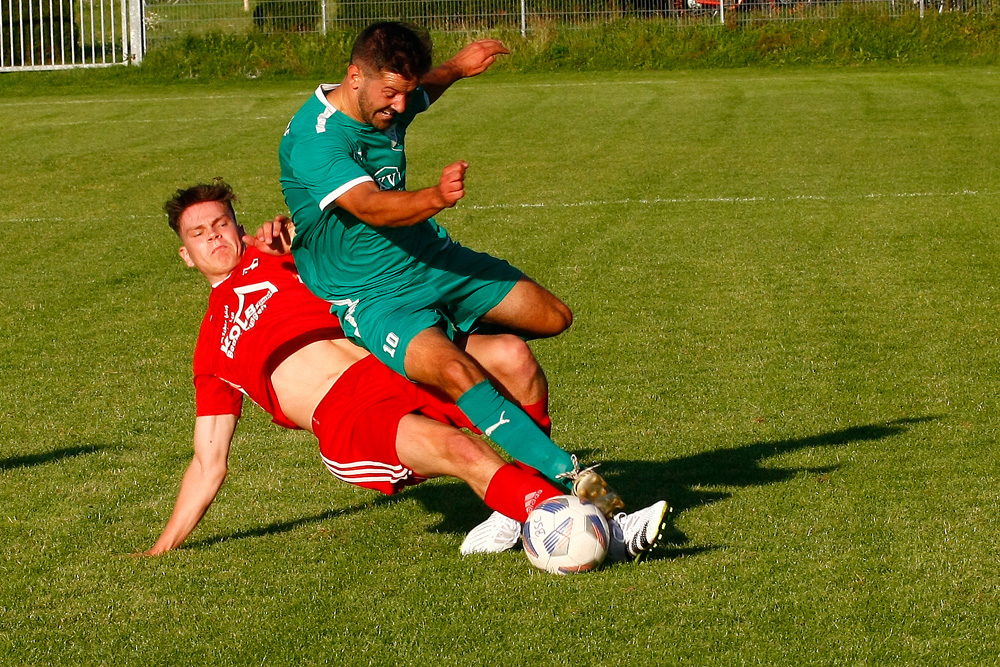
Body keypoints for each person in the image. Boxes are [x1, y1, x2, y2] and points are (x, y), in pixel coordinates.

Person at [141, 180, 668, 561]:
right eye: (198, 234)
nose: (213, 237)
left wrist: (295, 231)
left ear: (237, 226)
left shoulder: (284, 255)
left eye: (220, 224)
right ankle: (610, 525)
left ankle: (517, 504)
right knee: (465, 450)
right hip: (350, 415)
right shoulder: (211, 350)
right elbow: (208, 462)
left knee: (513, 357)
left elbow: (346, 222)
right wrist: (162, 548)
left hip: (389, 361)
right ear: (186, 255)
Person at [278, 22, 624, 513]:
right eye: (392, 94)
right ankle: (571, 482)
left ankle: (438, 349)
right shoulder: (318, 141)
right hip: (372, 295)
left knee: (552, 317)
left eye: (406, 93)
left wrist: (460, 67)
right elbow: (372, 206)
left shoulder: (384, 101)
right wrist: (437, 197)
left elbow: (422, 92)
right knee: (463, 372)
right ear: (355, 77)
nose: (400, 107)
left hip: (430, 261)